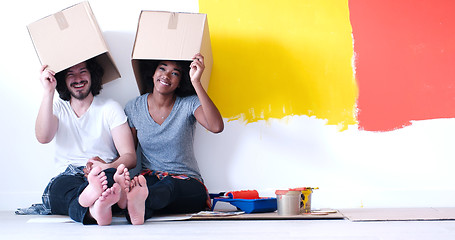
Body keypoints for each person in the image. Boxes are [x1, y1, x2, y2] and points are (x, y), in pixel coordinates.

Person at [124, 53, 224, 225]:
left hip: (186, 182)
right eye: (162, 68)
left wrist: (196, 82)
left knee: (169, 187)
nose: (166, 75)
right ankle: (137, 206)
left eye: (175, 73)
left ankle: (140, 202)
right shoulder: (134, 107)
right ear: (153, 73)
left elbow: (216, 127)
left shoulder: (189, 104)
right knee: (150, 188)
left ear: (180, 82)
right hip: (150, 179)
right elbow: (130, 153)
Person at [35, 58, 136, 225]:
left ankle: (93, 205)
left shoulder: (110, 108)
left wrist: (107, 167)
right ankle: (99, 205)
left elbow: (130, 156)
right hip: (68, 175)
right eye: (70, 74)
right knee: (57, 190)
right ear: (63, 80)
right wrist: (48, 92)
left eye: (83, 71)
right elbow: (43, 137)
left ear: (92, 75)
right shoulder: (58, 108)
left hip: (103, 172)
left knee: (110, 181)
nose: (78, 78)